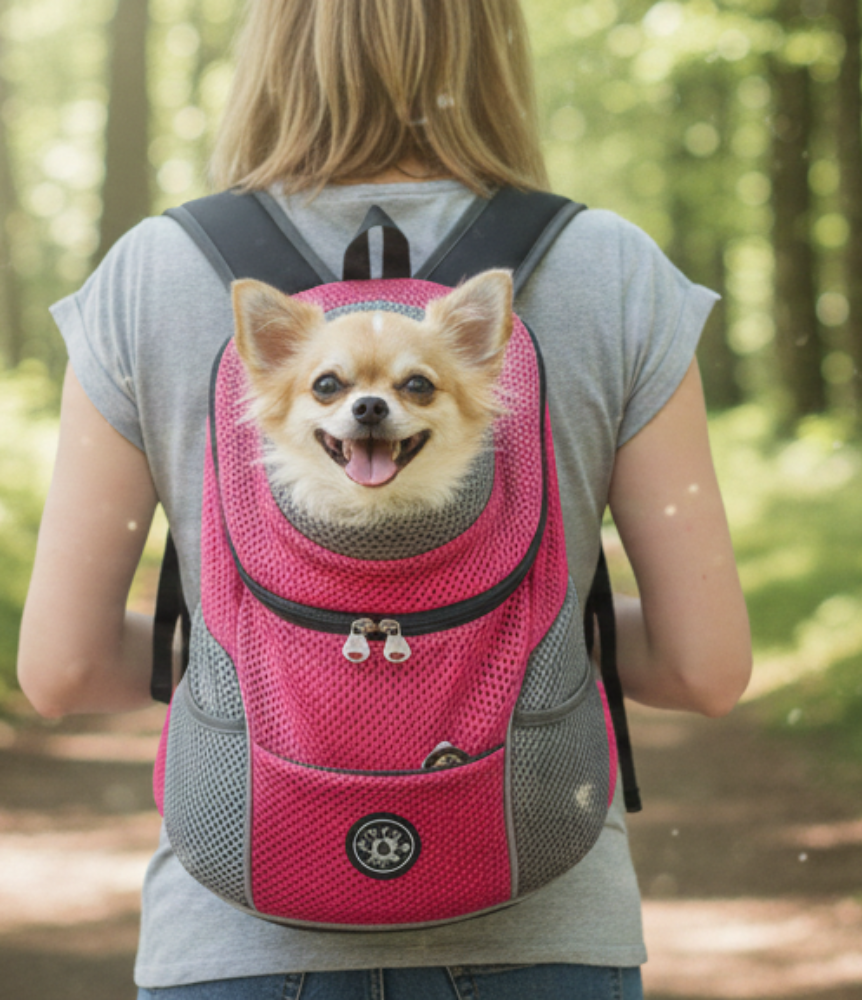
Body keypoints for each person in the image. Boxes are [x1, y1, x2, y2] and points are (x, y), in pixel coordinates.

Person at [17, 0, 753, 997]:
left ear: (271, 44)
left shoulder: (150, 273)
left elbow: (60, 669)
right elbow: (706, 668)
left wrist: (262, 654)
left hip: (238, 921)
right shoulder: (610, 267)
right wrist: (511, 637)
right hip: (538, 908)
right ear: (494, 44)